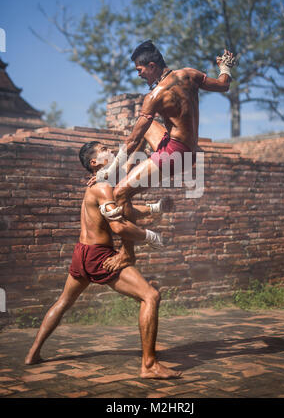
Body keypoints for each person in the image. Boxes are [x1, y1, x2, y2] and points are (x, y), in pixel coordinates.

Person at [25, 141, 180, 379]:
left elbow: (123, 208)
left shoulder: (101, 186)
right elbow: (118, 226)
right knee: (150, 296)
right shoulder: (103, 187)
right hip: (99, 256)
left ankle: (33, 354)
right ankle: (149, 366)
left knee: (63, 302)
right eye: (104, 149)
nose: (111, 151)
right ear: (94, 163)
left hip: (82, 254)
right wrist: (150, 236)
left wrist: (155, 208)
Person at [88, 40, 236, 259]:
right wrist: (225, 67)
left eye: (139, 70)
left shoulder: (154, 97)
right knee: (149, 129)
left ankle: (127, 253)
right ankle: (128, 171)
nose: (139, 75)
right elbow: (224, 85)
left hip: (174, 154)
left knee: (120, 192)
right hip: (189, 151)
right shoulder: (189, 74)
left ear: (151, 66)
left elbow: (131, 141)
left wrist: (104, 173)